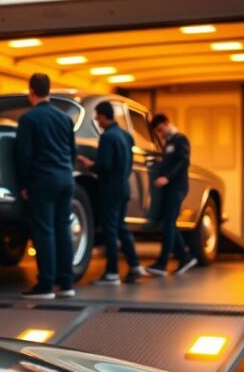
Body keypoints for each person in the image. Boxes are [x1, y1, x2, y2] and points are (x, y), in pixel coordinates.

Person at [15, 73, 77, 299]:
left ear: (31, 91)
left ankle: (45, 285)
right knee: (63, 229)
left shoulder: (29, 119)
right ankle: (67, 284)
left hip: (43, 180)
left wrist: (24, 184)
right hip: (66, 179)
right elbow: (72, 151)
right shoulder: (65, 119)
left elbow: (25, 155)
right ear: (49, 90)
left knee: (45, 231)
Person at [77, 101, 148, 285]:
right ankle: (134, 264)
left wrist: (89, 164)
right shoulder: (125, 136)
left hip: (109, 189)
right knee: (121, 227)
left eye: (96, 116)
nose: (95, 119)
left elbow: (105, 166)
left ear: (102, 115)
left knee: (110, 230)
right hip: (124, 187)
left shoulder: (108, 138)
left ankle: (112, 273)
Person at [146, 113, 197, 276]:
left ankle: (162, 263)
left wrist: (167, 177)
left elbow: (184, 161)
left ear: (167, 123)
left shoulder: (180, 139)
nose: (160, 133)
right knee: (169, 223)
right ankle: (185, 257)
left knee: (169, 223)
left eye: (160, 129)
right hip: (169, 188)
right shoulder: (168, 143)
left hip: (177, 186)